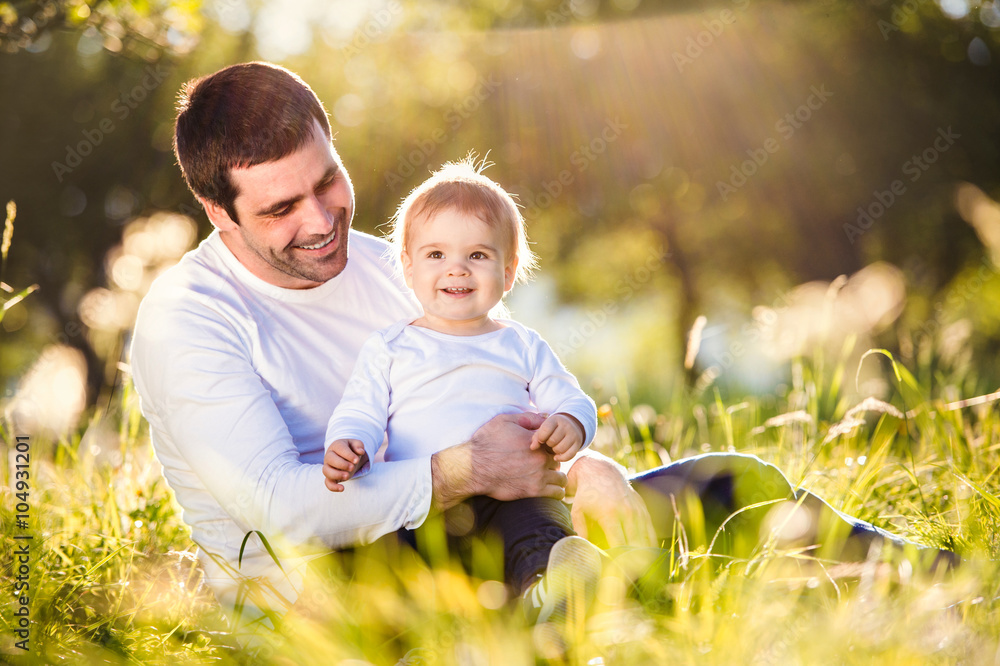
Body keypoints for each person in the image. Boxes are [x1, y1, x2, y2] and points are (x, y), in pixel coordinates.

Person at [130, 61, 955, 641]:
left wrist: (578, 462)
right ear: (218, 211)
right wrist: (465, 472)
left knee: (739, 484)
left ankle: (948, 576)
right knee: (586, 573)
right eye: (281, 208)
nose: (320, 219)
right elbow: (282, 507)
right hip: (335, 599)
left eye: (327, 181)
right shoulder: (191, 320)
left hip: (496, 525)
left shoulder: (392, 267)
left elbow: (503, 393)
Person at [322, 158, 601, 617]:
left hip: (511, 497)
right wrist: (348, 443)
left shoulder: (520, 343)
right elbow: (360, 411)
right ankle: (401, 617)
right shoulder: (391, 346)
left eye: (477, 255)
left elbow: (571, 397)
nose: (457, 270)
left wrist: (571, 421)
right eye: (436, 255)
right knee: (374, 554)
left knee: (540, 529)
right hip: (424, 507)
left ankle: (548, 594)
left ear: (508, 272)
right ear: (408, 269)